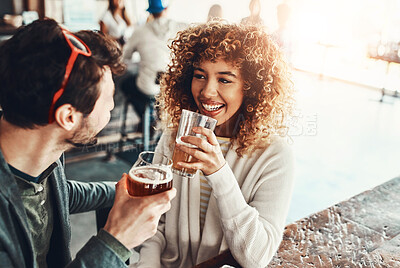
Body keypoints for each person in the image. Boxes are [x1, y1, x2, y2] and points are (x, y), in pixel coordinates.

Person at [0, 18, 176, 267]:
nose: (113, 106)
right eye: (109, 97)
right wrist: (116, 241)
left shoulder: (38, 152)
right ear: (68, 116)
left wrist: (118, 194)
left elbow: (58, 194)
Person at [134, 21, 295, 267]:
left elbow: (257, 257)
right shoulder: (175, 137)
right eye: (200, 75)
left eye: (224, 80)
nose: (207, 91)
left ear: (251, 88)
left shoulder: (274, 156)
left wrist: (219, 173)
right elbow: (155, 222)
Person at [122, 0, 187, 135]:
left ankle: (147, 118)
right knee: (160, 94)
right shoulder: (180, 27)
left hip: (147, 87)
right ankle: (158, 114)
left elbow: (125, 56)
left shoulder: (140, 31)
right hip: (172, 86)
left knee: (126, 85)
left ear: (150, 11)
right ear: (167, 8)